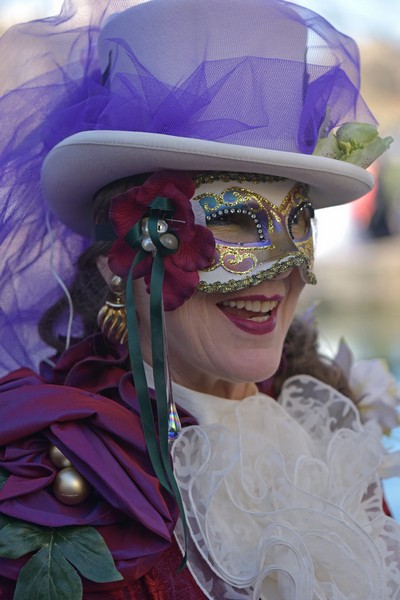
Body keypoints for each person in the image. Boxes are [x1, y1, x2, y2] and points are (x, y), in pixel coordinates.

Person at [0, 0, 398, 598]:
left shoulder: (330, 424)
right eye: (234, 221)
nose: (280, 271)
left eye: (301, 220)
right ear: (120, 259)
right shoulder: (54, 473)